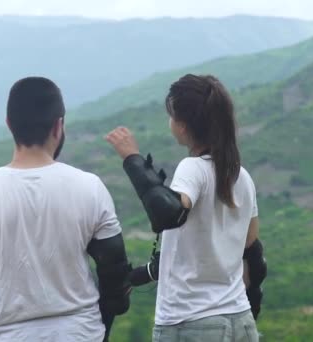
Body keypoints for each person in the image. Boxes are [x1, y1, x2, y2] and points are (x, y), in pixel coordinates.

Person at [0, 76, 132, 342]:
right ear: (58, 126)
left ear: (9, 125)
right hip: (80, 333)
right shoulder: (90, 187)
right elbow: (115, 277)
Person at [106, 74, 266, 342]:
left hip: (191, 322)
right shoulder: (241, 176)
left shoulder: (193, 168)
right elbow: (251, 248)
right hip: (239, 319)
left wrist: (132, 159)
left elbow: (168, 213)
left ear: (183, 125)